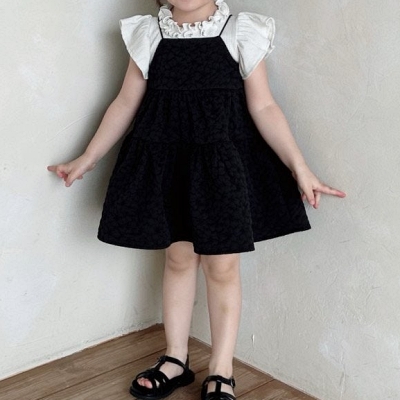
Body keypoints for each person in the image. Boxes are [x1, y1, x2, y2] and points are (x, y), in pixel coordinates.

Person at [48, 0, 346, 399]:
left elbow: (264, 106)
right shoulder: (149, 34)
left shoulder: (240, 32)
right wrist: (88, 158)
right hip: (168, 165)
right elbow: (125, 103)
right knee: (177, 258)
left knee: (222, 267)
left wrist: (300, 167)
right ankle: (175, 358)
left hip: (219, 168)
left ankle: (222, 368)